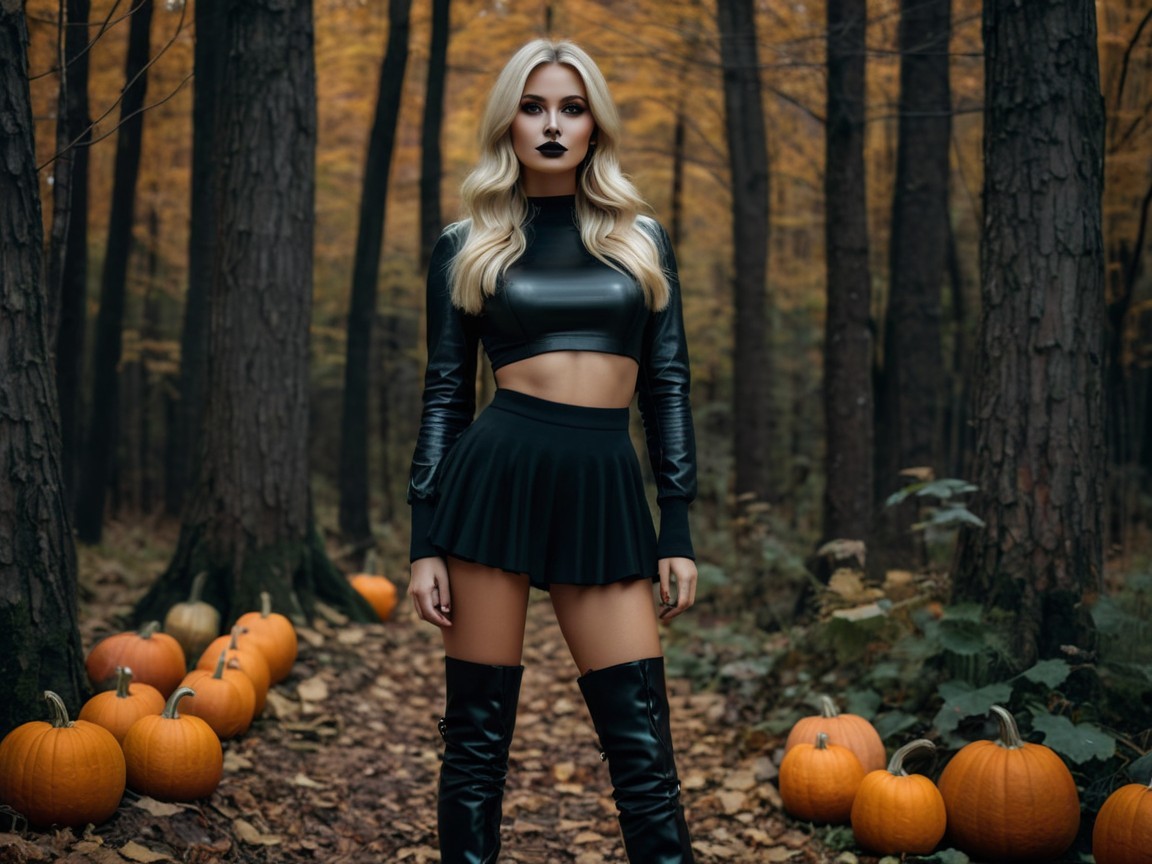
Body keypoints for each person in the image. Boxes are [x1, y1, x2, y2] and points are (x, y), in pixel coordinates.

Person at [407, 37, 698, 864]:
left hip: (604, 486)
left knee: (641, 743)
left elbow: (667, 386)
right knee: (476, 738)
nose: (552, 124)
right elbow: (444, 395)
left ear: (594, 126)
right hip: (494, 480)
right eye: (533, 107)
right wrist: (423, 540)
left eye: (571, 108)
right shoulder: (467, 244)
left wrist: (675, 522)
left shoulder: (642, 239)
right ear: (509, 123)